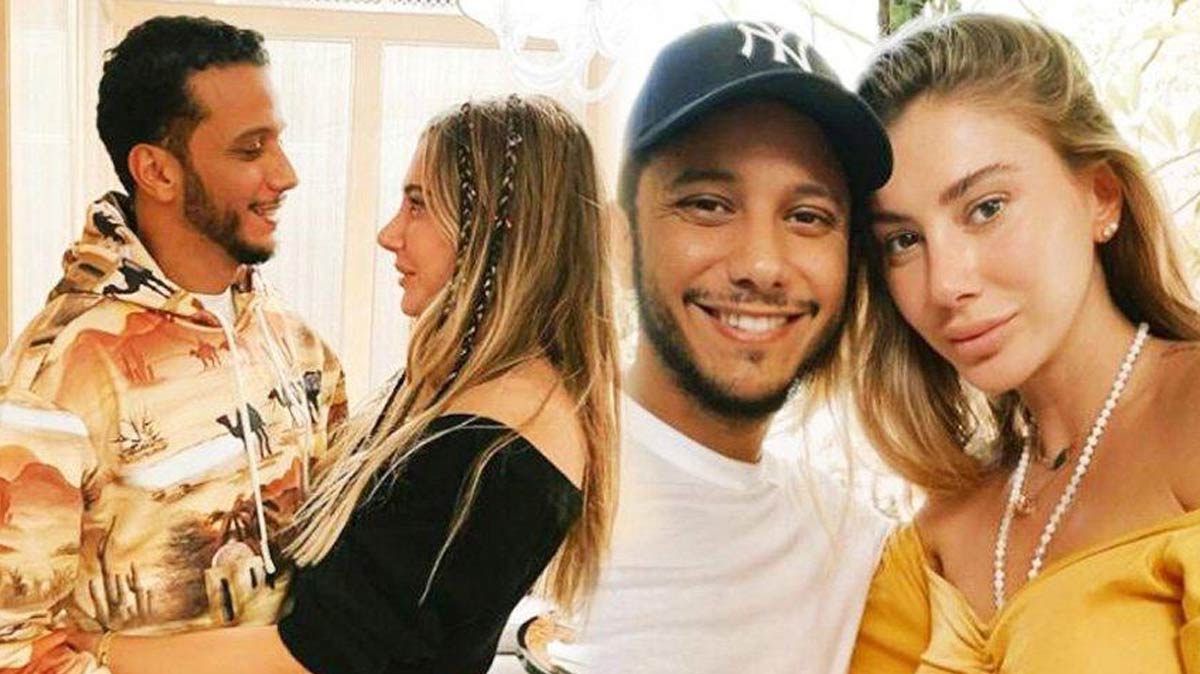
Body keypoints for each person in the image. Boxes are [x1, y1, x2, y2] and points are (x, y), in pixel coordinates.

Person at [65, 93, 621, 674]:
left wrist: (97, 648)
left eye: (418, 205)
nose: (389, 233)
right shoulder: (487, 400)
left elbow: (309, 658)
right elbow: (421, 613)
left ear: (496, 231)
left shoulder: (491, 446)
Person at [848, 13, 1200, 674]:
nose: (946, 283)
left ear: (1101, 197)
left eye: (986, 208)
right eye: (903, 240)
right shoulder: (936, 537)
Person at [0, 15, 346, 673]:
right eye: (251, 150)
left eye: (279, 142)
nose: (287, 174)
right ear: (158, 171)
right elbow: (12, 648)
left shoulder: (298, 346)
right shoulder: (53, 373)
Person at [546, 20, 892, 674]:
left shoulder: (854, 549)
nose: (762, 265)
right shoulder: (508, 489)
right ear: (621, 240)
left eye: (808, 217)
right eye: (708, 204)